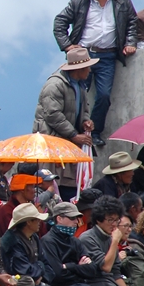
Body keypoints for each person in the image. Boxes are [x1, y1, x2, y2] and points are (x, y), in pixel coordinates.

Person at [52, 0, 138, 147]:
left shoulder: (122, 1)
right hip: (83, 55)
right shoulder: (79, 2)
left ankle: (95, 131)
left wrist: (130, 43)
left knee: (104, 95)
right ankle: (74, 132)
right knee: (76, 93)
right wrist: (67, 46)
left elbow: (132, 22)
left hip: (107, 56)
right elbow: (60, 22)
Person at [33, 48, 97, 199]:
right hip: (52, 143)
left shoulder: (80, 86)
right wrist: (74, 135)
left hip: (66, 142)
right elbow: (53, 114)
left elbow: (84, 109)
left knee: (69, 185)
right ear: (79, 68)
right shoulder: (54, 85)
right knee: (54, 183)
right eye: (87, 67)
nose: (89, 70)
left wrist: (85, 122)